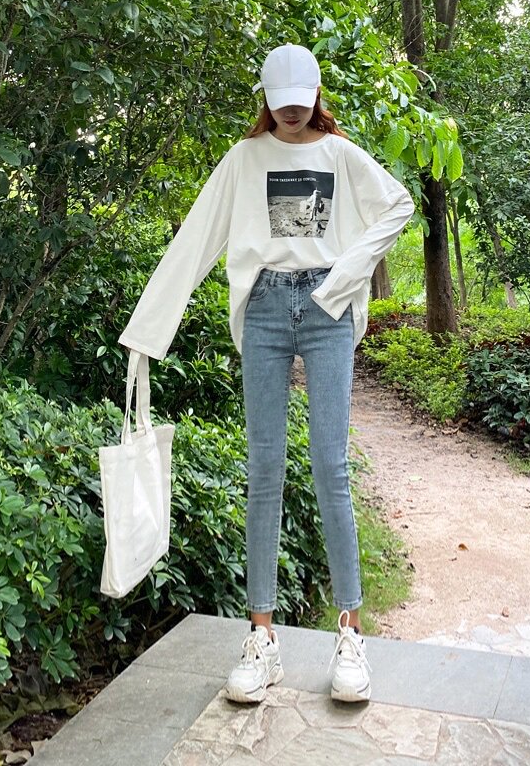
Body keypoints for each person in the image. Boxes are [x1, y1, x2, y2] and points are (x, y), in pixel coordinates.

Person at [119, 43, 415, 704]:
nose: (290, 113)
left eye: (300, 102)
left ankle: (350, 634)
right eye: (279, 104)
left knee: (331, 467)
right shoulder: (244, 160)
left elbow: (397, 206)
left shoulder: (339, 155)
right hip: (265, 311)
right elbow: (196, 239)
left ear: (315, 96)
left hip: (327, 308)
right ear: (266, 100)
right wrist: (147, 331)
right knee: (263, 470)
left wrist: (345, 277)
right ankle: (262, 639)